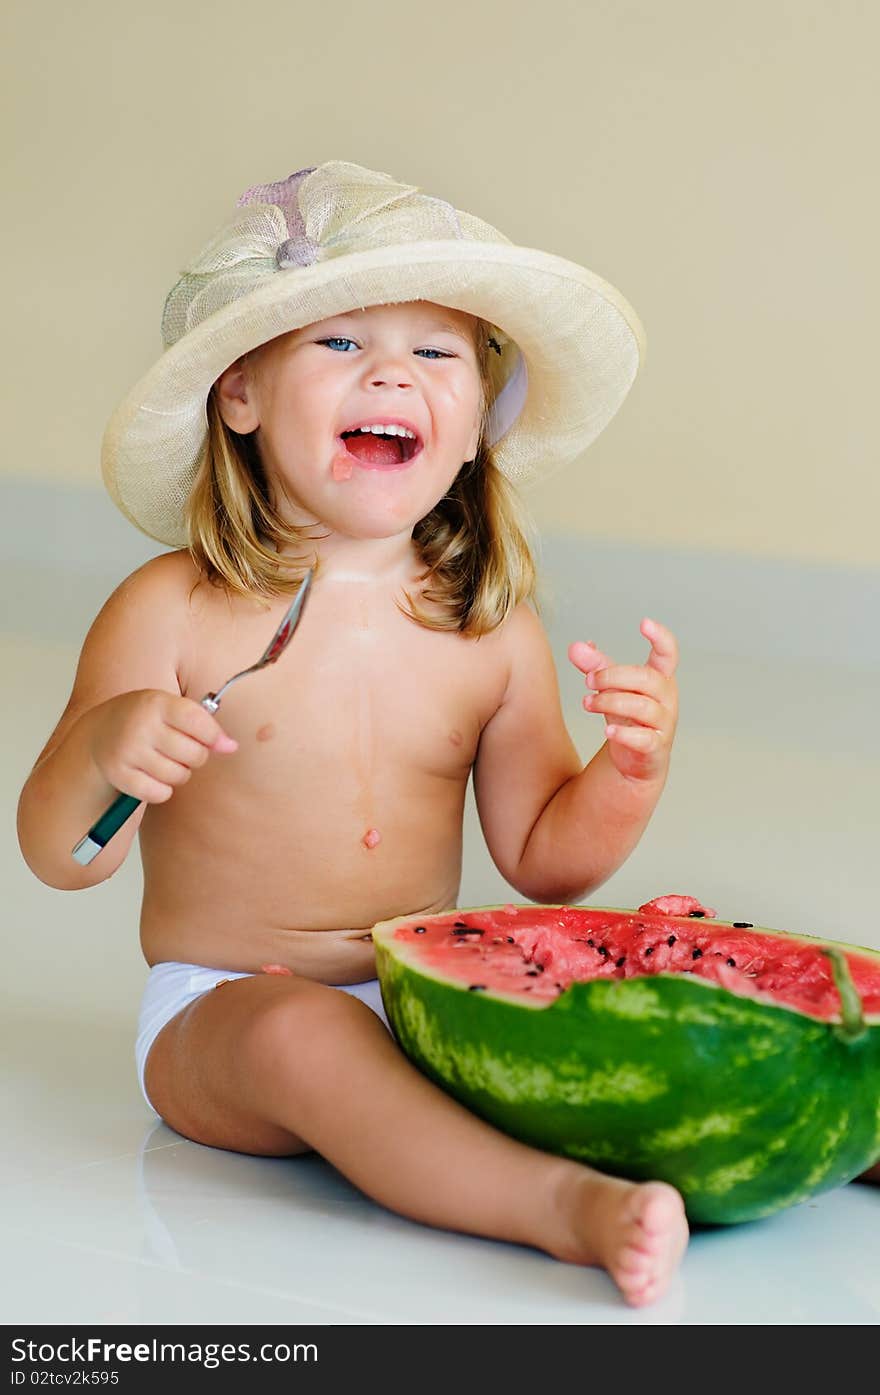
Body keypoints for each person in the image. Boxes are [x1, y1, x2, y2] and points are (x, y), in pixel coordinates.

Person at [16, 160, 690, 1306]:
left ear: (479, 422)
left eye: (437, 354)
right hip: (224, 1009)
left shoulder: (491, 631)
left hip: (434, 999)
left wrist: (630, 771)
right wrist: (103, 751)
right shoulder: (168, 610)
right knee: (303, 1038)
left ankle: (842, 1128)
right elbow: (64, 857)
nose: (391, 371)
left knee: (639, 982)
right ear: (239, 394)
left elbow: (548, 863)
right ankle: (554, 1207)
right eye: (338, 344)